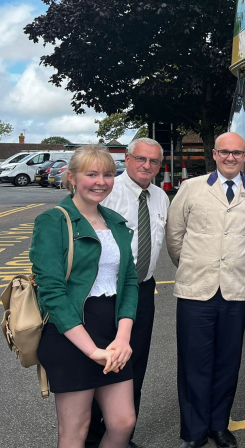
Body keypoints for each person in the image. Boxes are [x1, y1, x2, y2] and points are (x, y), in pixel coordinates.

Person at [31, 145, 139, 448]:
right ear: (72, 178)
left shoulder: (115, 222)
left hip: (112, 330)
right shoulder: (52, 221)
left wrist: (123, 337)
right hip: (71, 334)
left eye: (107, 174)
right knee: (75, 431)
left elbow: (129, 281)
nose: (101, 181)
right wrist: (92, 350)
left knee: (122, 422)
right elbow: (52, 292)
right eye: (91, 174)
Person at [166, 132, 245, 448]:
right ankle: (195, 432)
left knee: (227, 363)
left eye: (237, 153)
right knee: (194, 364)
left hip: (235, 291)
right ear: (214, 154)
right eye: (224, 152)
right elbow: (175, 237)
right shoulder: (191, 188)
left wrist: (235, 265)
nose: (230, 158)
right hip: (196, 290)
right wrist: (196, 264)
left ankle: (218, 426)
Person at [86, 138, 169, 448]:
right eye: (140, 159)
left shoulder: (161, 197)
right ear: (127, 158)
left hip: (143, 291)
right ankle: (92, 436)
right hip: (105, 292)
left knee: (135, 364)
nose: (147, 166)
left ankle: (120, 434)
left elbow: (166, 242)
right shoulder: (106, 192)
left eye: (154, 162)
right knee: (102, 363)